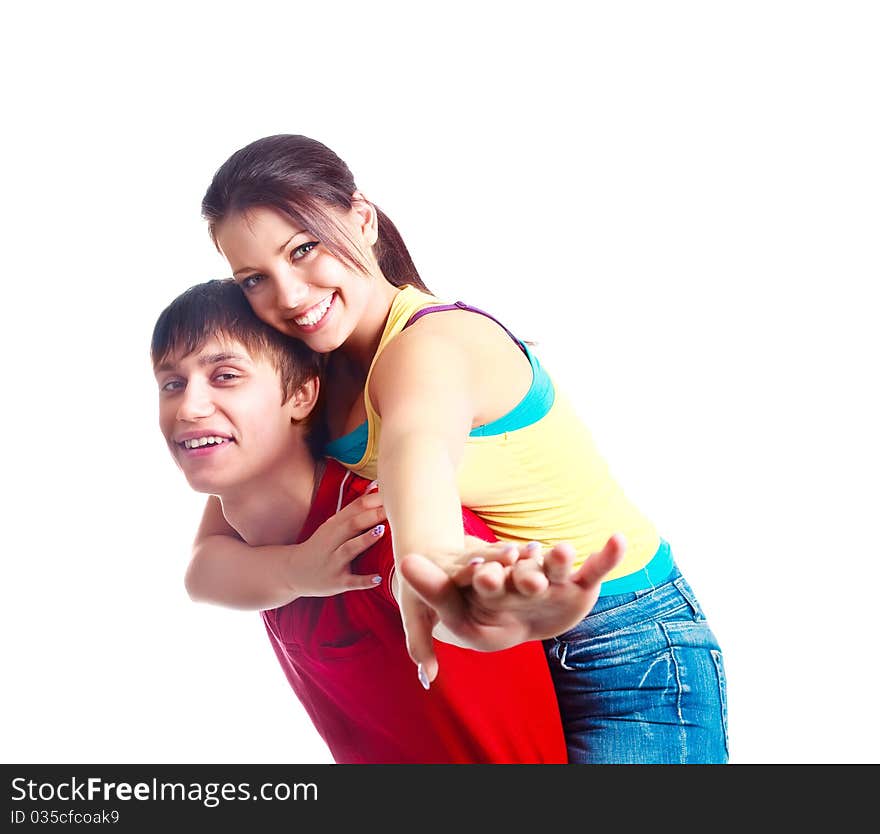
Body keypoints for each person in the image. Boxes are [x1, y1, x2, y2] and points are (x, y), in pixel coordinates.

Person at [189, 134, 729, 764]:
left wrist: (438, 573)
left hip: (629, 648)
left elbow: (420, 455)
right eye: (255, 278)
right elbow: (209, 560)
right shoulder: (307, 375)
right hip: (509, 640)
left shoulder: (434, 343)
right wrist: (299, 569)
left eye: (304, 249)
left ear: (361, 219)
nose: (288, 295)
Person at [152, 278, 622, 763]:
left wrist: (482, 599)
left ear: (301, 396)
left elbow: (429, 587)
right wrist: (296, 571)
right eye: (172, 384)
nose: (189, 407)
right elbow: (202, 573)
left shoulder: (371, 524)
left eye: (226, 376)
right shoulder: (256, 534)